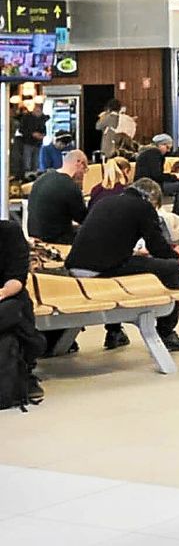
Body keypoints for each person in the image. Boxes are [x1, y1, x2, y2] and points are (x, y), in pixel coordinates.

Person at [65, 178, 179, 352]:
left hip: (75, 267)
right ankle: (167, 333)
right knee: (172, 269)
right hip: (102, 270)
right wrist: (174, 255)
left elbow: (107, 242)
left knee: (124, 267)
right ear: (151, 198)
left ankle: (114, 332)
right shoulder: (143, 207)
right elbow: (157, 248)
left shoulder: (106, 201)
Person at [0, 219, 47, 401]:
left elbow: (17, 279)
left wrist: (3, 292)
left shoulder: (10, 232)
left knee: (14, 309)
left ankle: (23, 367)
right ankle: (24, 368)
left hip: (8, 294)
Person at [27, 149, 88, 244]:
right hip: (56, 240)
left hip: (34, 237)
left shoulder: (42, 178)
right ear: (79, 163)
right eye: (85, 169)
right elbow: (84, 219)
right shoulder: (70, 186)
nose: (83, 175)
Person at [134, 133, 179, 219]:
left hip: (142, 184)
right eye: (167, 147)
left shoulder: (145, 153)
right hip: (151, 186)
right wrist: (174, 177)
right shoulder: (155, 154)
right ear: (161, 145)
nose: (168, 151)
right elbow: (157, 175)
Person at [17, 101, 46, 178]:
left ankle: (34, 177)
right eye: (37, 111)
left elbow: (44, 130)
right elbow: (21, 130)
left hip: (38, 143)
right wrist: (32, 134)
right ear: (34, 109)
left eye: (39, 112)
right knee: (27, 162)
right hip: (27, 142)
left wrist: (42, 135)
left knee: (36, 163)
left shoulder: (42, 118)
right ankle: (27, 177)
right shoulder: (26, 118)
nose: (38, 113)